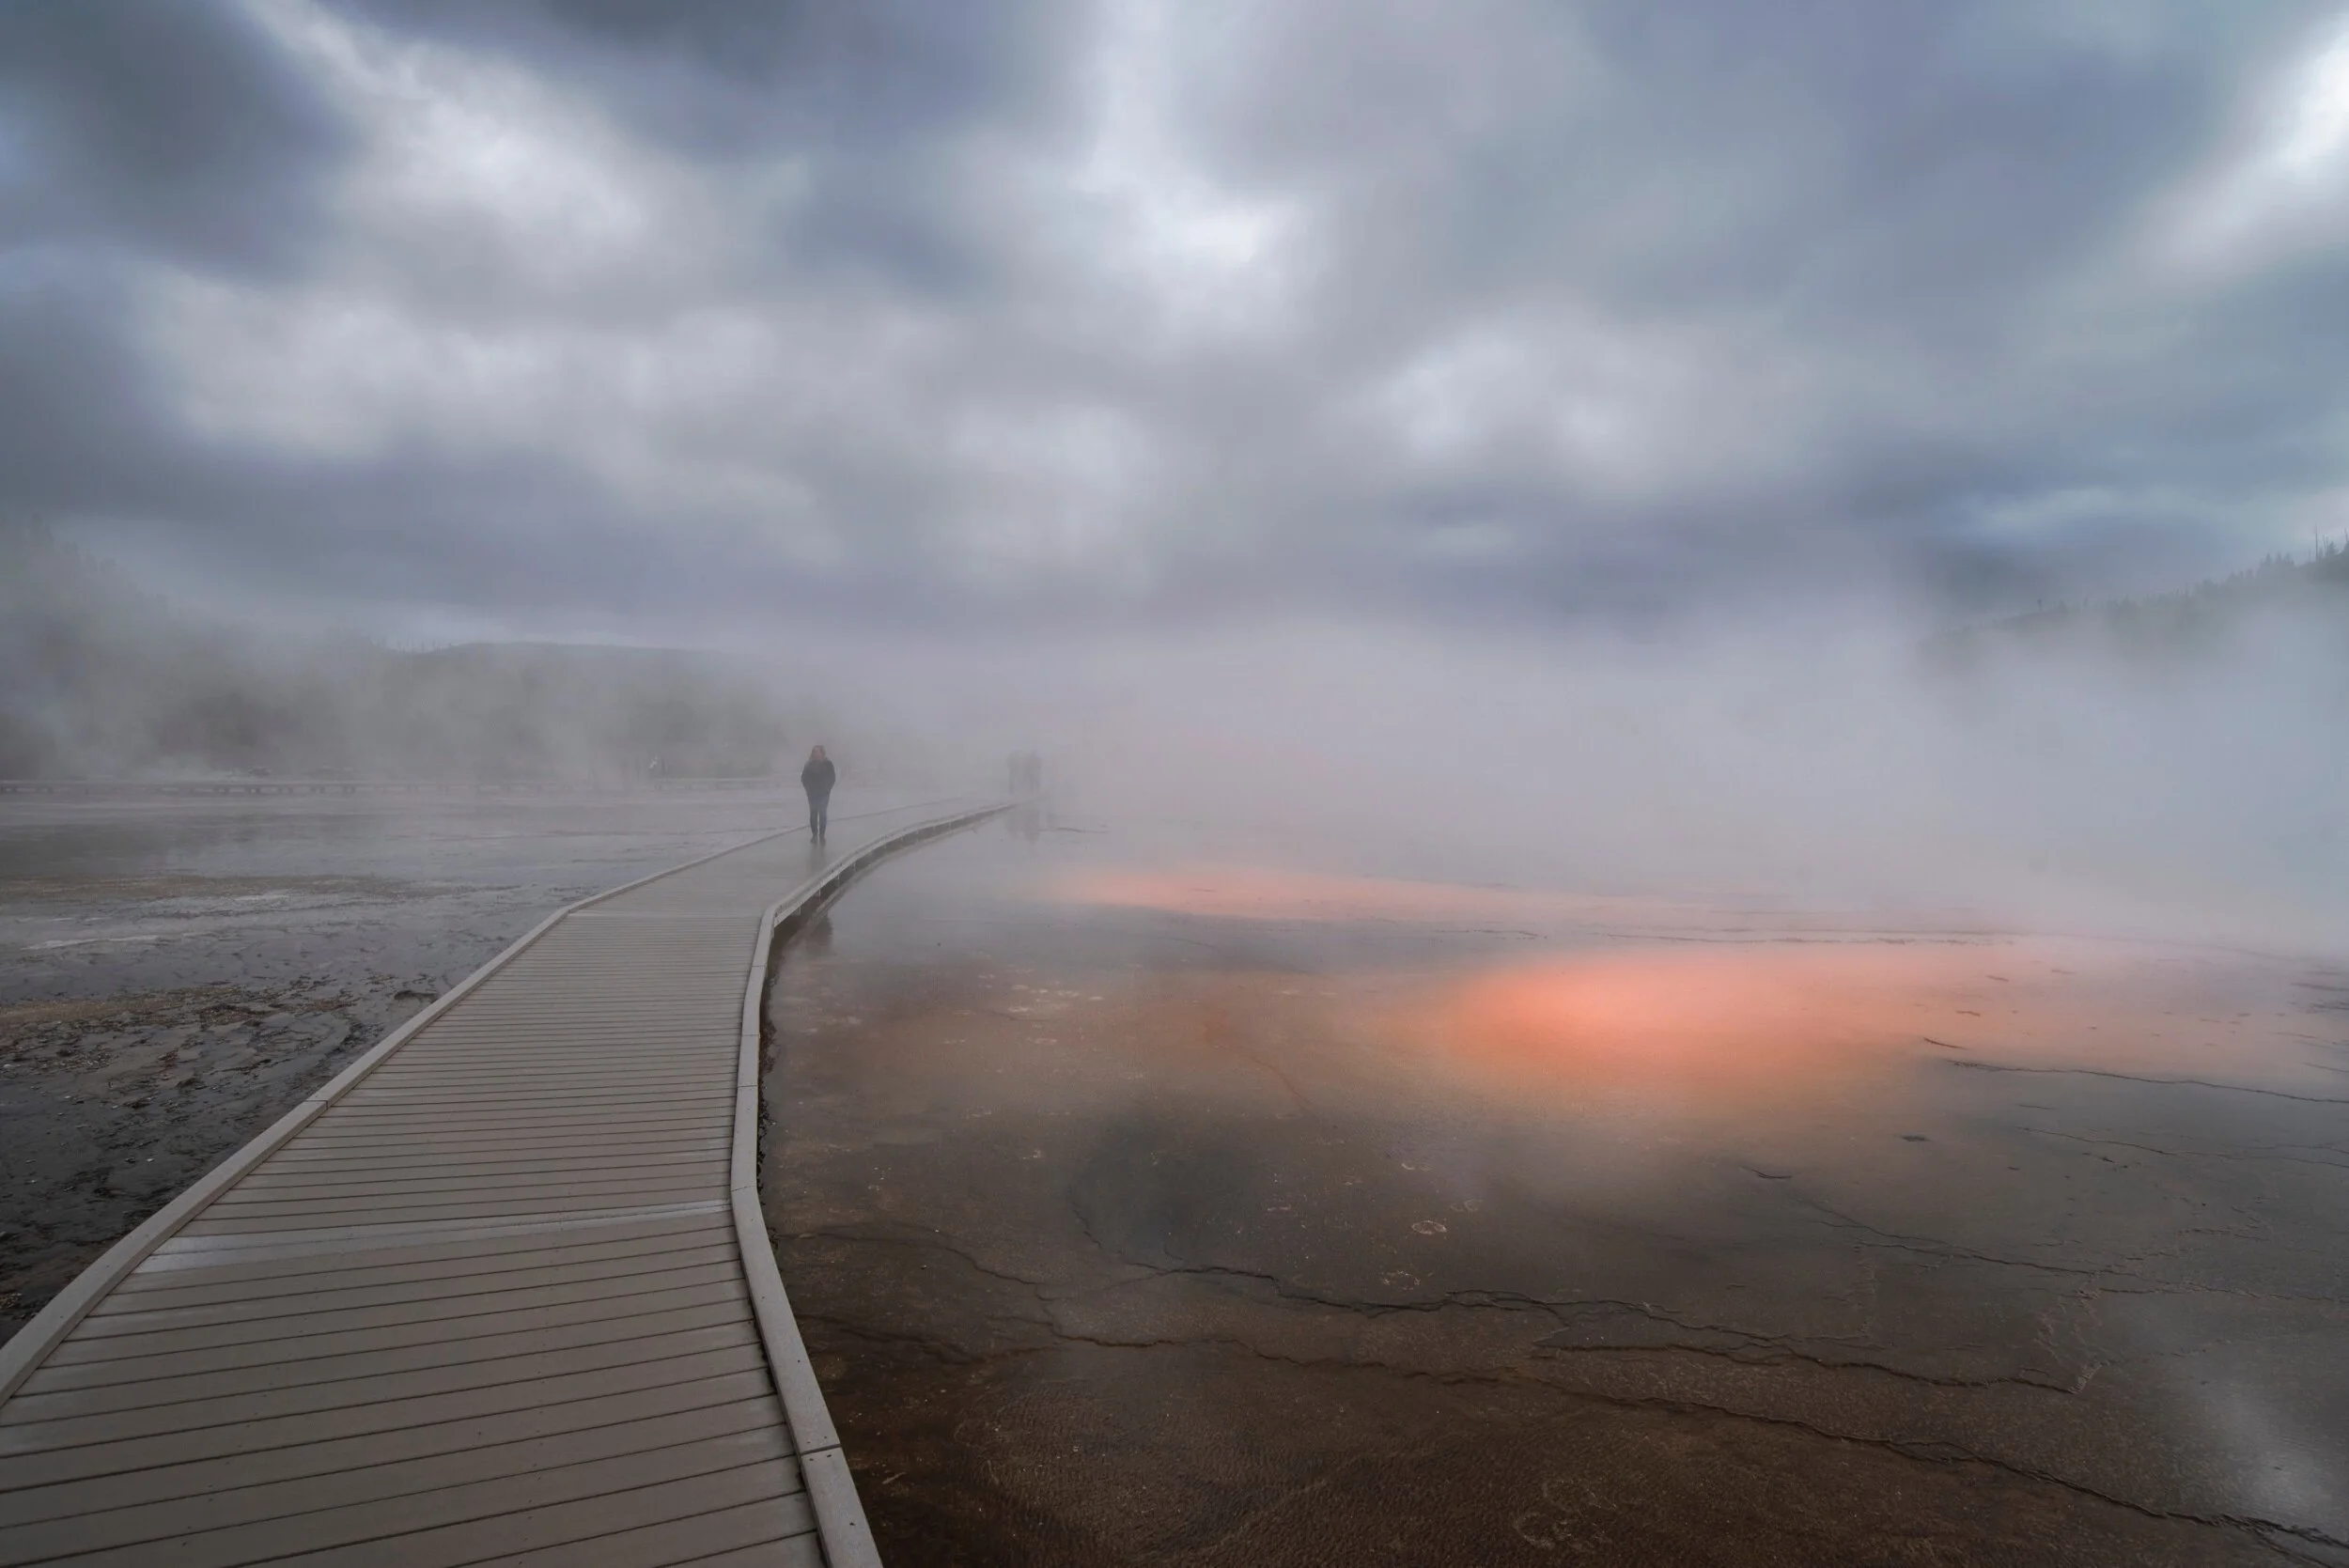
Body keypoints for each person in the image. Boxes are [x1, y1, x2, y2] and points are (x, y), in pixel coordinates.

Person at [801, 744, 835, 841]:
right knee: (813, 814)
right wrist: (808, 789)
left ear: (822, 753)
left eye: (817, 752)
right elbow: (804, 778)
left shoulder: (828, 764)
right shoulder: (809, 765)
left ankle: (822, 834)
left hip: (824, 793)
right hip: (812, 794)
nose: (815, 754)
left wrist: (827, 789)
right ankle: (814, 834)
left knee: (823, 813)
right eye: (814, 752)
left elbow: (832, 778)